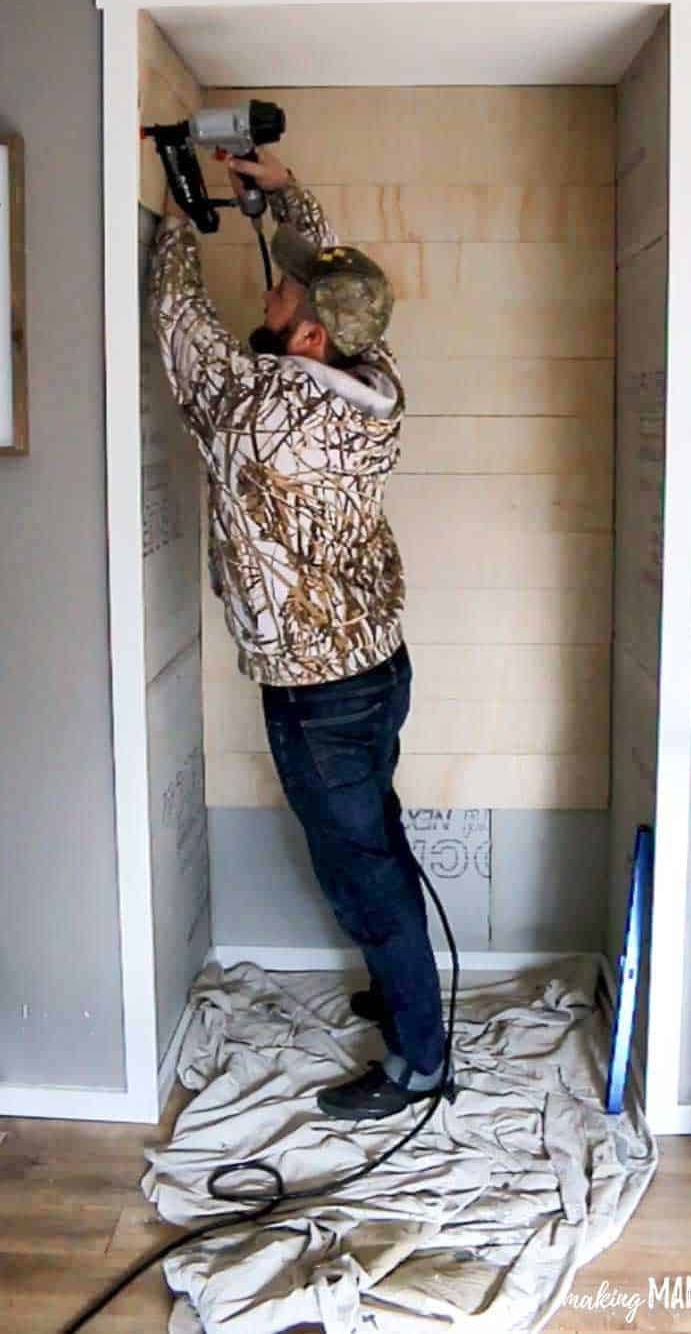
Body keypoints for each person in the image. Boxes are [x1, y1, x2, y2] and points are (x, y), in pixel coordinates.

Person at [149, 146, 452, 1120]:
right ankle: (403, 989)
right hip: (376, 663)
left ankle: (418, 1062)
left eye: (281, 300)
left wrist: (172, 213)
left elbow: (181, 331)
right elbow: (328, 282)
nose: (269, 300)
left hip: (319, 692)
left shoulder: (256, 412)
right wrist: (285, 200)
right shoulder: (377, 382)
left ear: (311, 337)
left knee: (362, 871)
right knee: (378, 845)